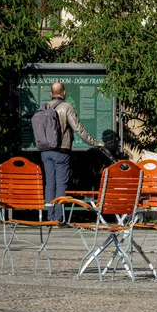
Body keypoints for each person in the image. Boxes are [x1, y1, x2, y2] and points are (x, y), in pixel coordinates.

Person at [41, 82, 103, 223]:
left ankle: (50, 217)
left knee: (50, 183)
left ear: (51, 93)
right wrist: (94, 143)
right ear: (63, 93)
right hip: (62, 150)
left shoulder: (44, 107)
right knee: (61, 184)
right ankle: (59, 218)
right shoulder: (66, 106)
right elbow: (78, 128)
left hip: (46, 151)